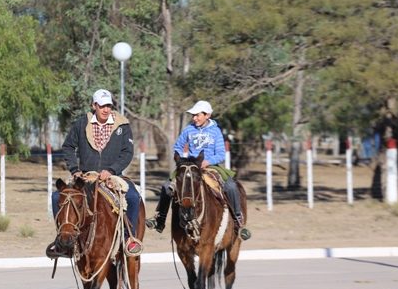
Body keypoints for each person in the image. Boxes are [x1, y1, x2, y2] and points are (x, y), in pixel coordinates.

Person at [47, 89, 144, 258]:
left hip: (114, 176)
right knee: (57, 197)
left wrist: (112, 170)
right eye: (102, 106)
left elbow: (127, 152)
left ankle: (130, 239)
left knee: (134, 197)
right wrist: (75, 170)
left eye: (109, 106)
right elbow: (68, 147)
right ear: (94, 106)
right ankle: (63, 240)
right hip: (86, 177)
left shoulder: (122, 125)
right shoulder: (81, 123)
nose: (106, 109)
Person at [145, 100, 251, 240]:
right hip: (190, 165)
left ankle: (238, 220)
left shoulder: (215, 131)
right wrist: (181, 159)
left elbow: (220, 153)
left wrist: (208, 161)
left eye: (197, 115)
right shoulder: (189, 129)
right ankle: (160, 218)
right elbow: (177, 146)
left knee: (231, 186)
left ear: (207, 115)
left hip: (210, 166)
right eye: (193, 115)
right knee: (167, 186)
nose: (194, 118)